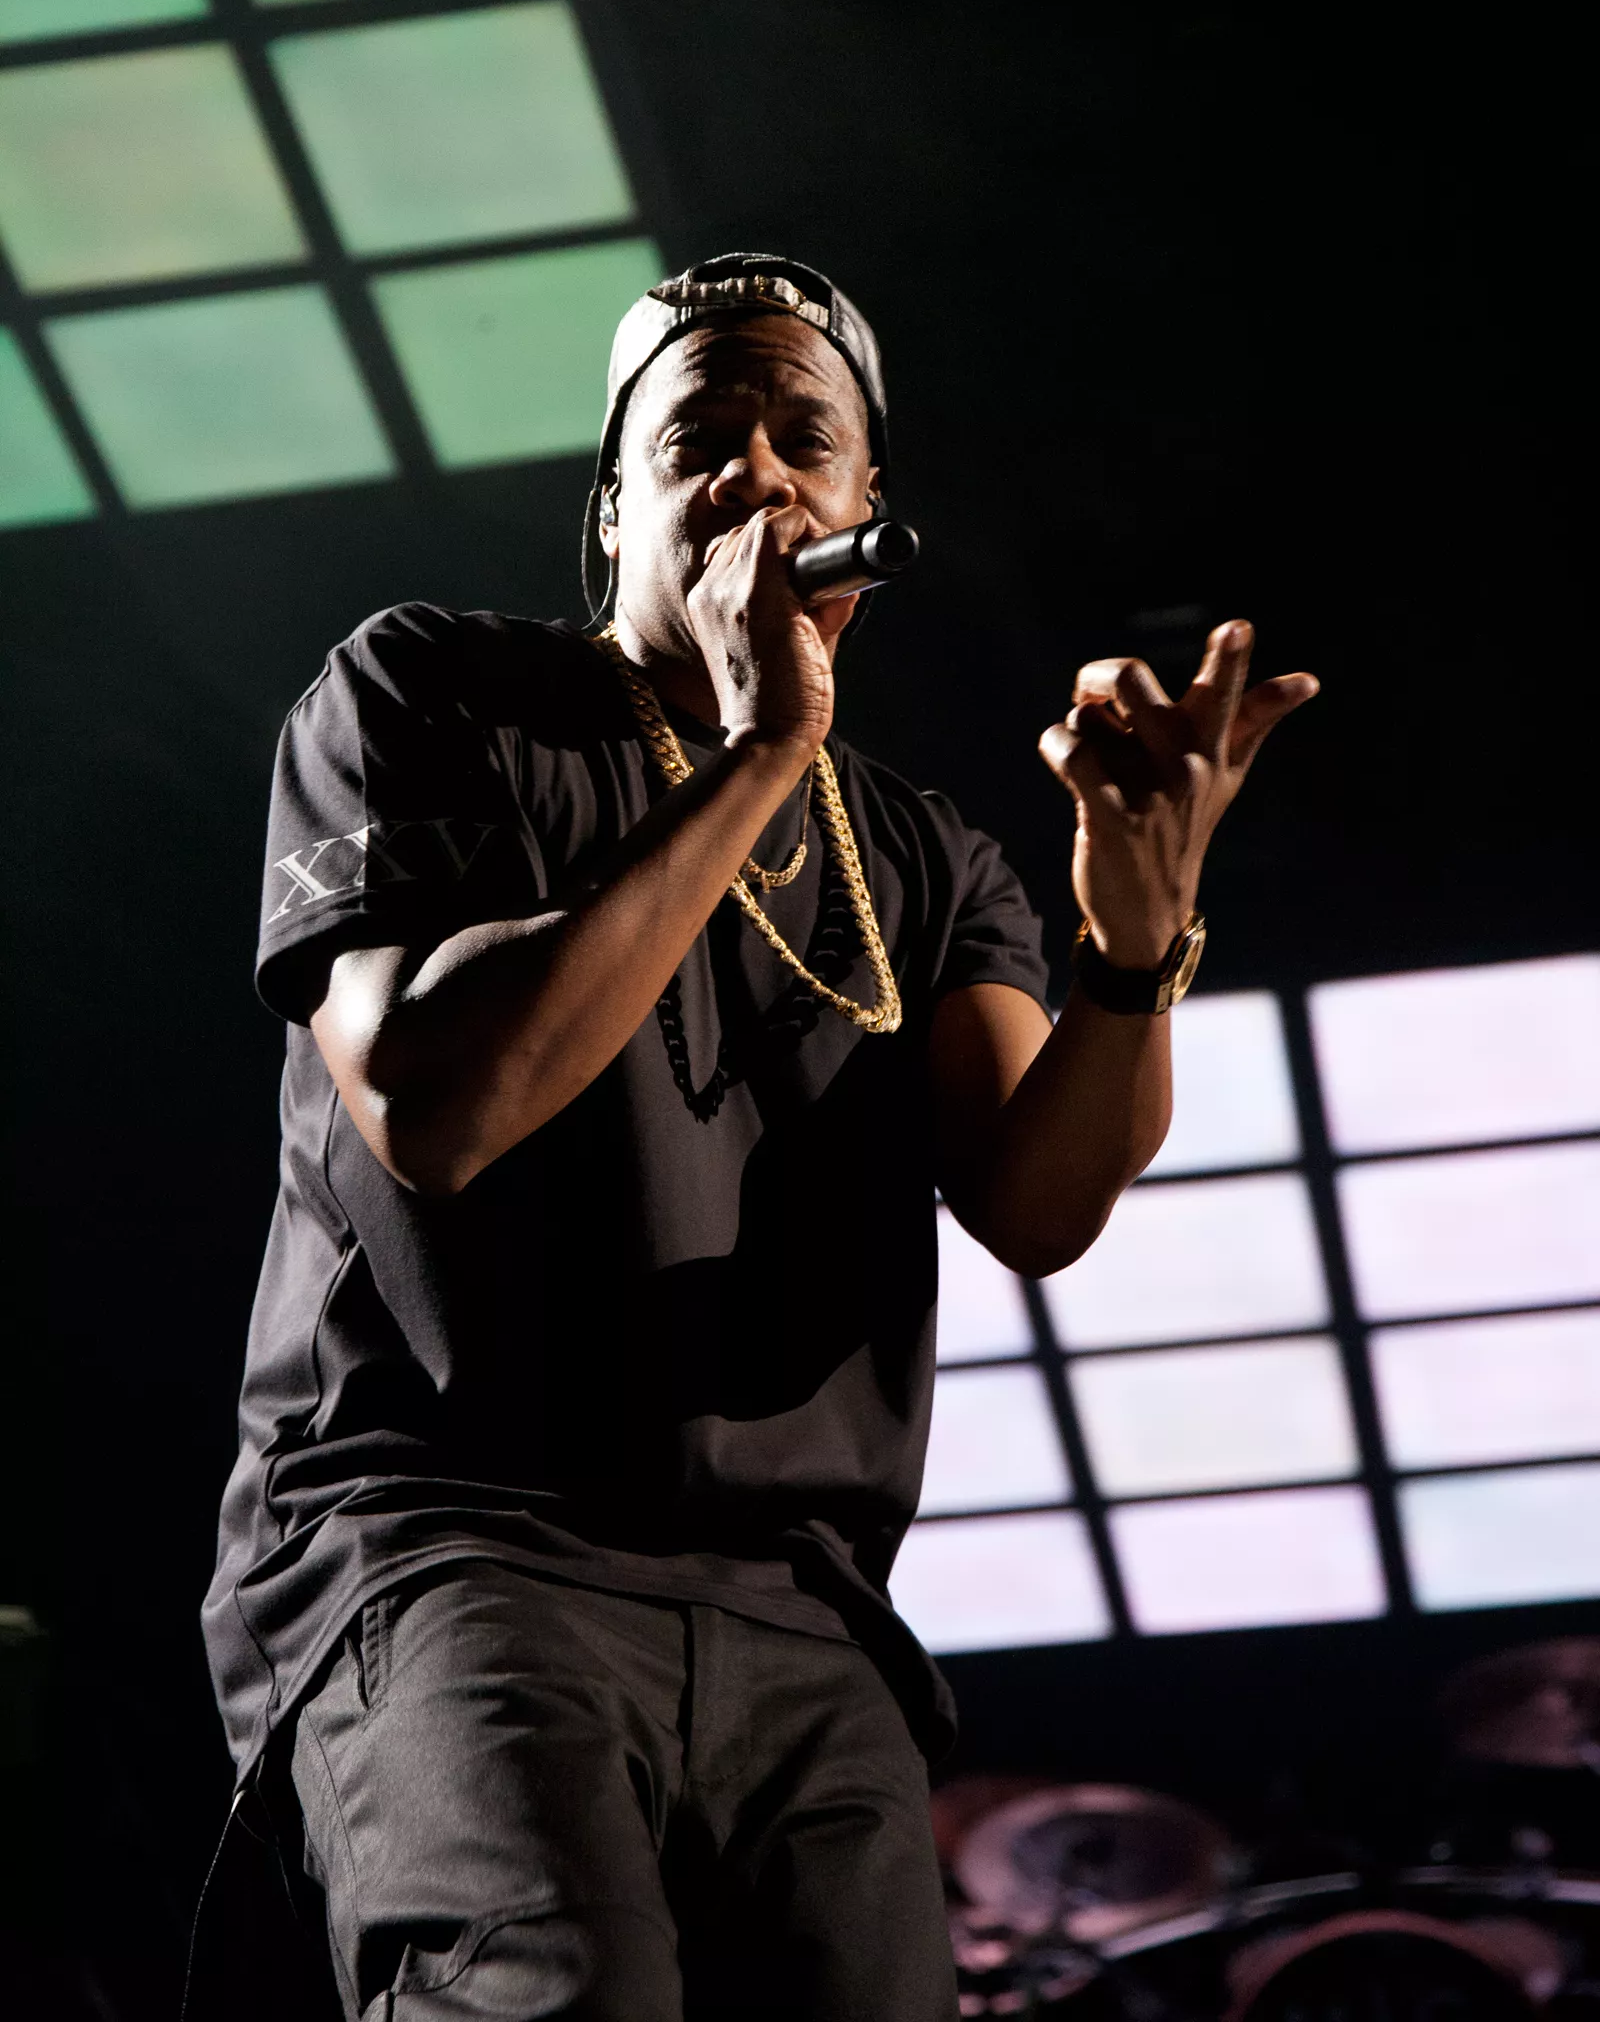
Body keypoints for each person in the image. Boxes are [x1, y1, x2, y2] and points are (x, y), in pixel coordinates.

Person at [201, 254, 1317, 2020]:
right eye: (696, 437)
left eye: (807, 436)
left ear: (867, 502)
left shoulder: (925, 855)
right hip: (458, 1549)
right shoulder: (431, 694)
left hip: (804, 1606)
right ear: (614, 508)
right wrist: (759, 746)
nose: (758, 472)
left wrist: (1135, 940)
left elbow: (1040, 1207)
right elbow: (434, 1102)